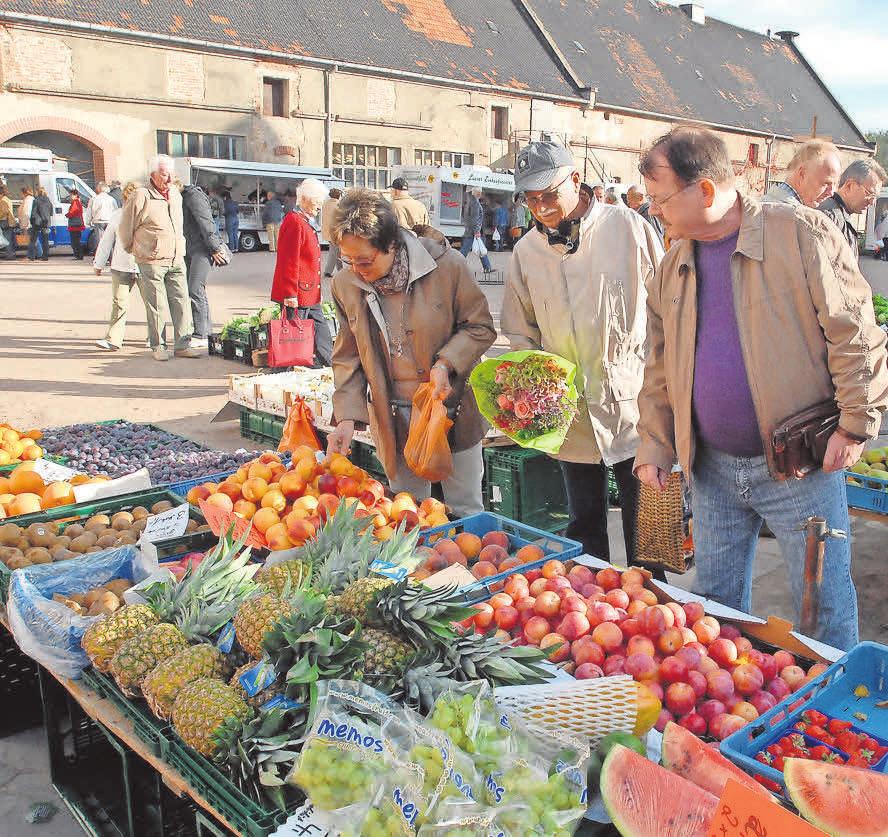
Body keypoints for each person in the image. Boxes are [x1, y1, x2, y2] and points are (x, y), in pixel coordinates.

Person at [634, 126, 888, 650]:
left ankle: (833, 715)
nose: (654, 210)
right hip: (712, 471)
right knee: (717, 609)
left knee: (824, 610)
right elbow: (660, 364)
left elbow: (855, 332)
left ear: (704, 190)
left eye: (661, 199)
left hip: (800, 467)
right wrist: (655, 443)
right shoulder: (673, 263)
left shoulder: (799, 234)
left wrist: (856, 423)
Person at [502, 142, 663, 566]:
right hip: (568, 410)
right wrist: (536, 386)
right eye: (531, 200)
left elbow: (670, 306)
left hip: (634, 401)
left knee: (647, 527)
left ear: (576, 180)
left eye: (549, 195)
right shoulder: (526, 252)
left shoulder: (628, 228)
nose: (541, 208)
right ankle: (593, 607)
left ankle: (657, 608)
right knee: (584, 523)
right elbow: (520, 329)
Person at [326, 188, 496, 515]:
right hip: (393, 418)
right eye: (348, 261)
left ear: (391, 244)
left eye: (365, 261)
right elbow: (348, 355)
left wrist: (446, 362)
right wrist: (347, 417)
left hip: (452, 407)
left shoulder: (447, 267)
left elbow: (480, 327)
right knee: (406, 511)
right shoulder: (346, 284)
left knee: (464, 507)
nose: (357, 270)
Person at [119, 154, 202, 361]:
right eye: (165, 175)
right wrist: (135, 249)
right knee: (157, 305)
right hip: (151, 259)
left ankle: (183, 344)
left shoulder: (175, 193)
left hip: (176, 257)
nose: (169, 179)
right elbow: (125, 227)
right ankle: (158, 346)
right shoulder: (141, 195)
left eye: (171, 175)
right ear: (153, 175)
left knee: (182, 300)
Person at [271, 178, 333, 368]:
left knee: (320, 326)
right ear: (305, 199)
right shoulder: (294, 221)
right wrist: (290, 293)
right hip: (298, 290)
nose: (320, 206)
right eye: (317, 201)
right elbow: (289, 260)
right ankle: (285, 368)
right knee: (292, 333)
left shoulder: (304, 221)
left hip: (309, 289)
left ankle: (330, 362)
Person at [94, 181, 156, 351]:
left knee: (152, 304)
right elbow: (106, 240)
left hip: (145, 265)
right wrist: (99, 263)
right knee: (119, 303)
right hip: (121, 266)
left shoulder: (151, 215)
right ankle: (114, 339)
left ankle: (155, 337)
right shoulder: (117, 215)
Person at [182, 183, 227, 344]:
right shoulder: (183, 197)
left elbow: (206, 222)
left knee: (195, 288)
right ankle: (204, 330)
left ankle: (201, 333)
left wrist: (215, 247)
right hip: (191, 247)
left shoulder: (193, 196)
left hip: (202, 248)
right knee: (193, 289)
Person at [819, 159, 887, 254]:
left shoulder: (840, 215)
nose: (872, 202)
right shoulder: (828, 216)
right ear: (849, 185)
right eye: (870, 194)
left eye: (875, 197)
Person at [763, 141, 841, 208]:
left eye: (836, 184)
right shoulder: (797, 219)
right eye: (826, 183)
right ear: (802, 174)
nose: (831, 192)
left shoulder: (761, 206)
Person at [459, 186, 492, 272]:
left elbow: (467, 217)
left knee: (481, 248)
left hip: (470, 230)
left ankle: (487, 267)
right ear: (477, 193)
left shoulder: (470, 202)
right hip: (473, 232)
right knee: (464, 250)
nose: (481, 194)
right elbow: (475, 218)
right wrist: (477, 231)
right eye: (480, 192)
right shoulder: (475, 203)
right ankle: (456, 265)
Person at [86, 182, 118, 249]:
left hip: (98, 220)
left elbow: (89, 211)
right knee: (109, 239)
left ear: (98, 189)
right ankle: (111, 255)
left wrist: (88, 221)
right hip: (109, 220)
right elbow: (115, 210)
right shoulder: (111, 199)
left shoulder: (94, 199)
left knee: (100, 240)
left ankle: (100, 256)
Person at [321, 187, 343, 277]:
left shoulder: (326, 204)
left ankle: (340, 270)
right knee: (334, 252)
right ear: (338, 196)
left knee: (336, 251)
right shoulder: (338, 206)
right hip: (335, 232)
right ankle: (328, 271)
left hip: (327, 230)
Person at [29, 187, 52, 261]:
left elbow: (33, 213)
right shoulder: (48, 200)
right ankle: (45, 257)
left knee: (33, 239)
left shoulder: (36, 200)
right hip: (46, 222)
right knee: (45, 240)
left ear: (37, 192)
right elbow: (51, 212)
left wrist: (32, 221)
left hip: (37, 223)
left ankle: (32, 256)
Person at [66, 189, 85, 259]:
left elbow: (72, 212)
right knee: (77, 240)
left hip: (75, 225)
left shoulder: (75, 202)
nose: (70, 196)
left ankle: (78, 255)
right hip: (77, 224)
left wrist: (67, 215)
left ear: (75, 195)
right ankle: (79, 255)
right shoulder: (77, 202)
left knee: (75, 241)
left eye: (71, 195)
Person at [0, 185, 16, 260]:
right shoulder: (8, 199)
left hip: (5, 221)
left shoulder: (3, 200)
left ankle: (10, 256)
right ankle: (12, 254)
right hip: (9, 222)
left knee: (7, 239)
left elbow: (5, 211)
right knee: (10, 239)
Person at [17, 188, 34, 258]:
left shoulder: (28, 200)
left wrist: (26, 224)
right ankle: (32, 255)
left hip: (28, 223)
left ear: (24, 193)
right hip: (29, 222)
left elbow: (26, 213)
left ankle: (36, 254)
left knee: (32, 240)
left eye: (21, 193)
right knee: (32, 239)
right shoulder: (29, 199)